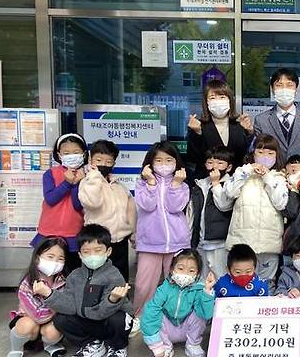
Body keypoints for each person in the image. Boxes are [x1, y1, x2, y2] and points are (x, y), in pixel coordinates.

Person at [37, 224, 133, 357]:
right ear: (80, 254)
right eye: (86, 252)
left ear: (108, 251)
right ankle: (92, 344)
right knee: (61, 319)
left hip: (107, 321)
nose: (92, 255)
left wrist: (112, 299)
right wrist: (49, 294)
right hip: (88, 322)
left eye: (98, 250)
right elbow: (70, 307)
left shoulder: (114, 276)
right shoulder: (74, 276)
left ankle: (117, 347)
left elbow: (102, 312)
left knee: (119, 318)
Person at [133, 141, 190, 323]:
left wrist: (175, 184)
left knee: (178, 282)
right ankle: (140, 317)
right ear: (150, 163)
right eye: (158, 160)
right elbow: (147, 205)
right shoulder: (142, 183)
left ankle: (175, 318)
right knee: (143, 285)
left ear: (176, 162)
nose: (164, 164)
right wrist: (150, 183)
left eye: (168, 159)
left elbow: (175, 207)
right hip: (150, 243)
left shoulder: (182, 185)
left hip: (177, 242)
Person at [224, 134, 289, 289]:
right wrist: (247, 170)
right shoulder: (242, 173)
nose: (265, 157)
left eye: (270, 153)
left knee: (266, 286)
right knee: (239, 283)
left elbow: (281, 203)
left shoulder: (279, 178)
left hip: (269, 242)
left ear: (277, 156)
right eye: (260, 152)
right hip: (242, 242)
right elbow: (230, 192)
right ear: (253, 153)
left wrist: (267, 177)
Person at [141, 249, 216, 357]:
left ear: (197, 274)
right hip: (167, 330)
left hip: (186, 328)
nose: (185, 274)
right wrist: (155, 345)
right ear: (172, 269)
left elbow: (206, 314)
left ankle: (193, 345)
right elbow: (150, 312)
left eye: (191, 271)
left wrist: (207, 291)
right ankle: (165, 347)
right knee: (156, 312)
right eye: (180, 269)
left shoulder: (198, 289)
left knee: (198, 315)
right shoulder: (164, 288)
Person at [4, 237, 68, 357]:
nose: (55, 262)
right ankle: (16, 350)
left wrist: (55, 302)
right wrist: (53, 300)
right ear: (38, 257)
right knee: (27, 324)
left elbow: (68, 306)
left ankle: (49, 344)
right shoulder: (27, 283)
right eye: (50, 256)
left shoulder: (63, 281)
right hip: (31, 320)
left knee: (54, 331)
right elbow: (39, 316)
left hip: (49, 322)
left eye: (60, 259)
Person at [78, 139, 136, 280]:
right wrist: (94, 177)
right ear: (91, 160)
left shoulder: (119, 187)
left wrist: (133, 233)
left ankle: (120, 301)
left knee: (120, 279)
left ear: (114, 164)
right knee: (97, 280)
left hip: (120, 242)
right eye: (99, 160)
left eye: (108, 162)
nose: (103, 164)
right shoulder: (87, 183)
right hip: (98, 242)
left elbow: (130, 211)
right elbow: (93, 203)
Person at [253, 68, 300, 182]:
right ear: (272, 89)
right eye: (279, 85)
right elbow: (257, 154)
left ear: (296, 89)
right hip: (271, 182)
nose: (284, 89)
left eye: (289, 85)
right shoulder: (261, 120)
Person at [32, 133, 88, 273]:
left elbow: (78, 205)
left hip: (73, 234)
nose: (72, 155)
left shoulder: (86, 175)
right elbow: (51, 199)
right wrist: (67, 183)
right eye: (66, 152)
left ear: (84, 153)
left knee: (71, 273)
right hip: (48, 232)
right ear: (59, 154)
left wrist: (76, 184)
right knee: (46, 272)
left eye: (76, 152)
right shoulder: (50, 174)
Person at [186, 79, 253, 179]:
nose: (218, 101)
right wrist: (197, 133)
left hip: (236, 182)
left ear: (230, 100)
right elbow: (194, 158)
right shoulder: (199, 125)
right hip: (207, 182)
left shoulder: (239, 124)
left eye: (222, 97)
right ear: (206, 102)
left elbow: (245, 155)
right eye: (212, 98)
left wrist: (249, 132)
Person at [187, 146, 235, 279]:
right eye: (210, 162)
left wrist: (216, 184)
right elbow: (192, 214)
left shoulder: (230, 184)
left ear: (229, 167)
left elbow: (224, 205)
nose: (214, 166)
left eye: (220, 163)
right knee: (201, 279)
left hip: (221, 243)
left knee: (221, 277)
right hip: (201, 242)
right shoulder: (200, 185)